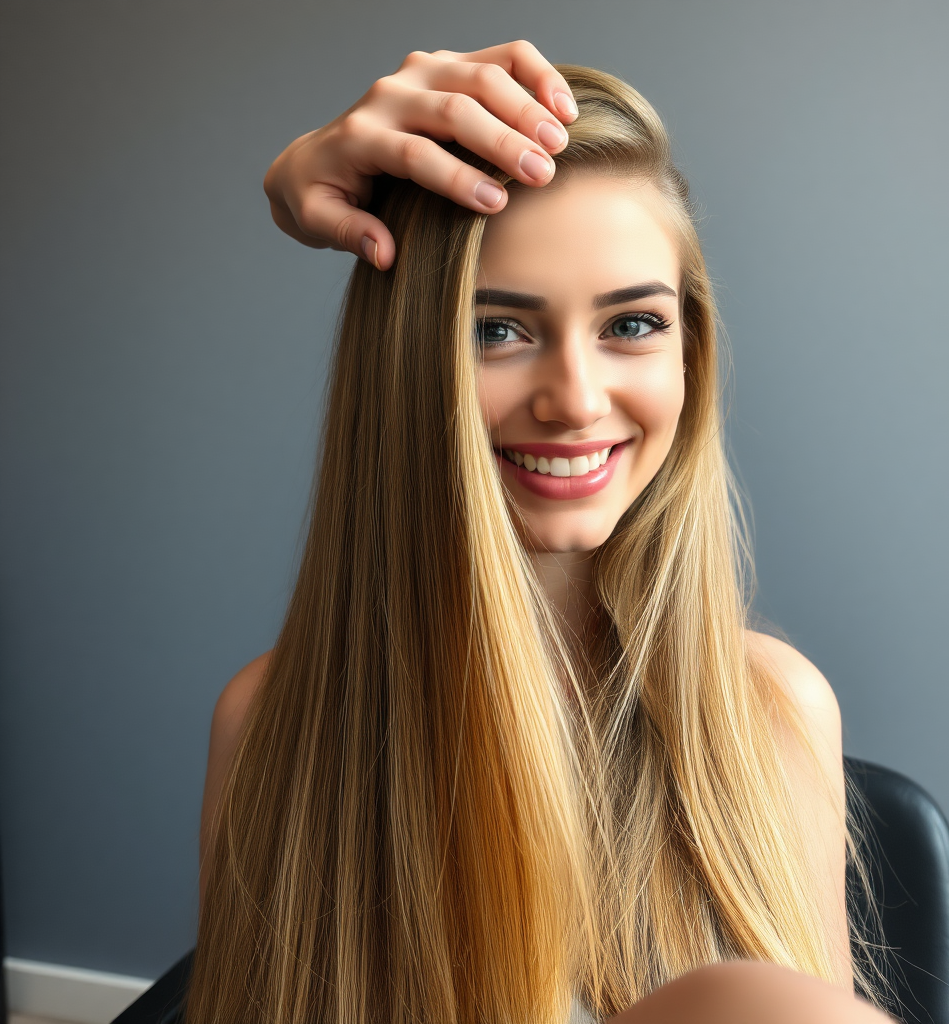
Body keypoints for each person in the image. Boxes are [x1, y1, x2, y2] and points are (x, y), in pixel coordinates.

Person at [189, 42, 895, 1024]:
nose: (574, 398)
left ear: (690, 350)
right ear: (407, 365)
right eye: (498, 330)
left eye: (632, 325)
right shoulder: (275, 727)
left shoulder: (774, 712)